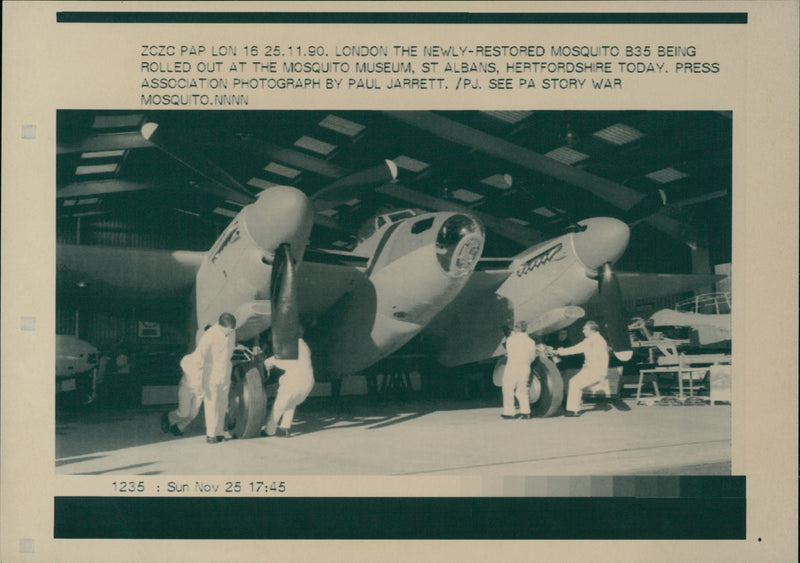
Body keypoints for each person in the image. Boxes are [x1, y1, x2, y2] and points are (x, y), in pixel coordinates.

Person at [161, 313, 237, 443]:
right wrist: (200, 380)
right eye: (227, 330)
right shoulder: (210, 335)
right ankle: (211, 434)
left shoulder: (231, 332)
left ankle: (219, 432)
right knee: (211, 402)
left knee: (222, 403)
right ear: (220, 325)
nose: (229, 333)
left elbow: (228, 352)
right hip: (210, 373)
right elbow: (198, 359)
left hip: (225, 372)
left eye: (231, 330)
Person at [262, 330, 315, 438]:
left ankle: (269, 431)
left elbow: (281, 361)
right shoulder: (305, 347)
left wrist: (266, 363)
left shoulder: (292, 347)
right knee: (291, 403)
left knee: (278, 407)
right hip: (308, 383)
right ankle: (285, 427)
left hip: (294, 382)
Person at [553, 320, 609, 417]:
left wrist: (603, 375)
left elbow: (604, 358)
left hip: (595, 370)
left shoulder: (599, 341)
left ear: (593, 330)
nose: (583, 331)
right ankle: (572, 410)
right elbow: (576, 349)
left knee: (575, 383)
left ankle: (572, 410)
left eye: (585, 329)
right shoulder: (588, 340)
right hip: (588, 369)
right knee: (574, 382)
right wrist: (558, 352)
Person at [161, 351, 204, 437]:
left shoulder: (211, 362)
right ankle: (168, 416)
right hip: (186, 388)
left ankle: (178, 428)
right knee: (184, 413)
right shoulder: (188, 359)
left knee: (193, 414)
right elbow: (191, 374)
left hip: (200, 391)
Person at [502, 321, 538, 420]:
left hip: (512, 367)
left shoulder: (511, 340)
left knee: (508, 389)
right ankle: (526, 412)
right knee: (522, 391)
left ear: (516, 328)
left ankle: (509, 413)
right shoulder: (531, 341)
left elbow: (509, 353)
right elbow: (533, 357)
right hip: (526, 367)